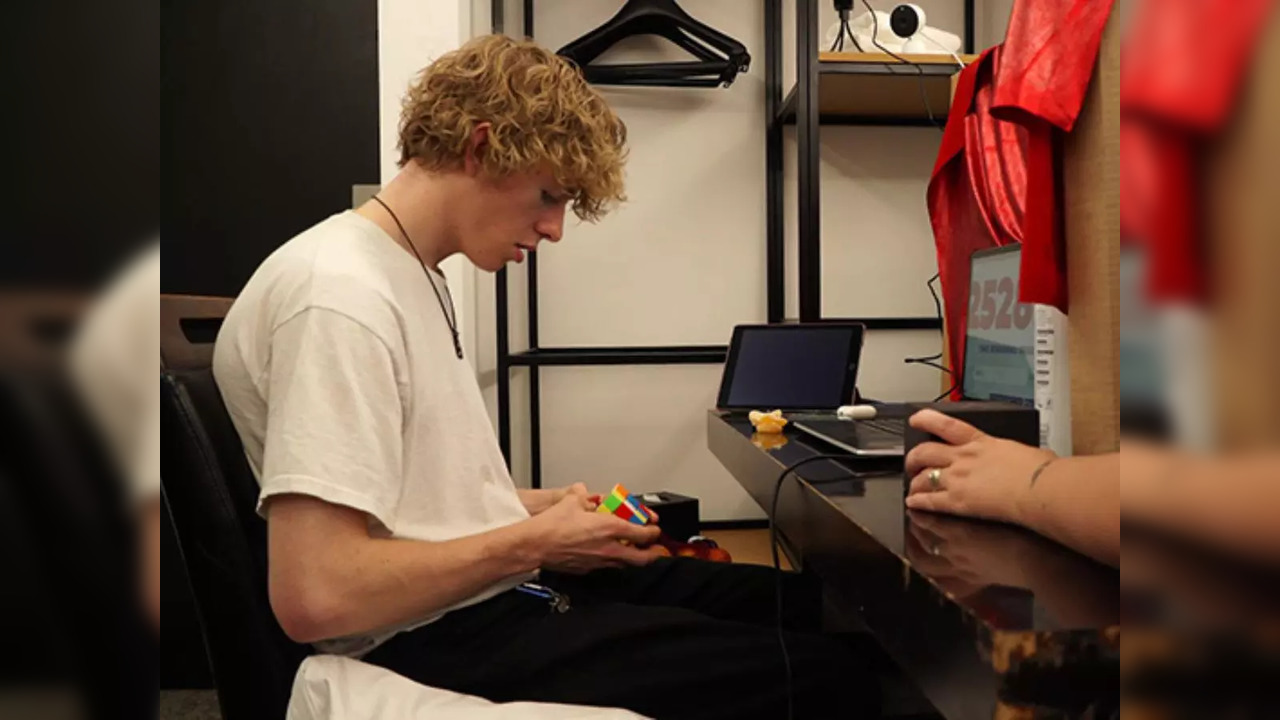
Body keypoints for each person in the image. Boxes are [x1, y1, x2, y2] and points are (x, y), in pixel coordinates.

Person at [212, 35, 877, 720]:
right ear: (479, 147)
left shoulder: (406, 273)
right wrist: (535, 542)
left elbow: (399, 494)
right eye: (549, 194)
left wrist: (534, 507)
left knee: (804, 607)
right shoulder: (339, 297)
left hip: (487, 597)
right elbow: (318, 595)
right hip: (433, 637)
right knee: (828, 676)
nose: (555, 229)